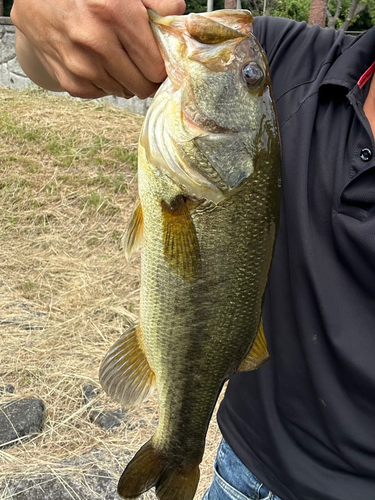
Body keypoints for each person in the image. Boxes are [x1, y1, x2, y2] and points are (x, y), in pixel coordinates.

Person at [11, 1, 375, 499]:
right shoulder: (294, 60)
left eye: (249, 76)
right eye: (253, 78)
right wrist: (41, 19)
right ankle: (182, 446)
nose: (247, 68)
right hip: (242, 466)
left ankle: (177, 446)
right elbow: (55, 59)